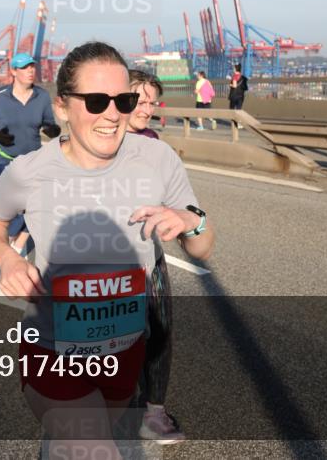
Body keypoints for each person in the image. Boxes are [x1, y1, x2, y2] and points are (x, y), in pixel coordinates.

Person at [0, 42, 214, 458]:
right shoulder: (30, 171)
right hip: (54, 354)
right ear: (64, 107)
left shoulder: (157, 158)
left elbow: (202, 247)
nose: (112, 114)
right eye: (97, 101)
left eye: (123, 100)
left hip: (126, 353)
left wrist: (193, 222)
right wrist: (9, 257)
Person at [124, 69, 184, 443]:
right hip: (107, 255)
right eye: (138, 100)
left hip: (150, 254)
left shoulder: (155, 143)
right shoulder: (93, 141)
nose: (146, 108)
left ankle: (154, 412)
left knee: (160, 328)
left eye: (151, 101)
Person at [0, 52, 60, 276]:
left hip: (34, 161)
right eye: (24, 68)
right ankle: (9, 248)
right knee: (18, 206)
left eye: (32, 67)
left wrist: (52, 130)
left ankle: (13, 249)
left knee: (35, 206)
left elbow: (48, 123)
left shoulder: (42, 97)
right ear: (13, 71)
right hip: (5, 158)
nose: (30, 71)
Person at [228, 63, 249, 129]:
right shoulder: (243, 77)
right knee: (239, 109)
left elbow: (234, 86)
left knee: (232, 110)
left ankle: (234, 124)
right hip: (241, 95)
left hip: (234, 95)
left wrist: (230, 85)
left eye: (233, 68)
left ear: (235, 69)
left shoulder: (234, 76)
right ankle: (239, 123)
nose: (233, 69)